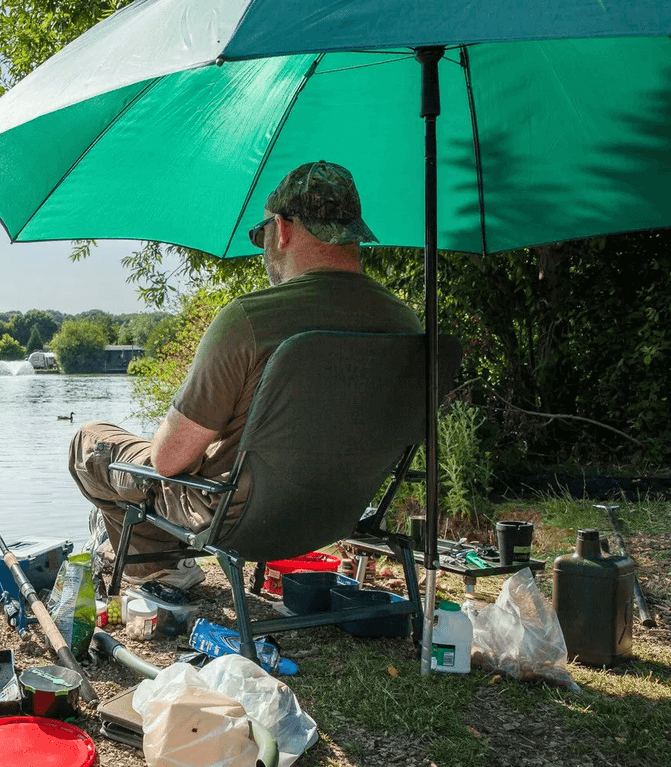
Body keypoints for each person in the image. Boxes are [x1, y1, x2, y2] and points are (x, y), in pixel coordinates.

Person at [69, 161, 422, 585]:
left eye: (263, 233)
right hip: (336, 515)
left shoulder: (249, 321)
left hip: (234, 518)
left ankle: (158, 568)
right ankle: (147, 559)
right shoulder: (406, 324)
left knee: (88, 441)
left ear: (284, 228)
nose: (264, 245)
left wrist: (172, 431)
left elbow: (169, 460)